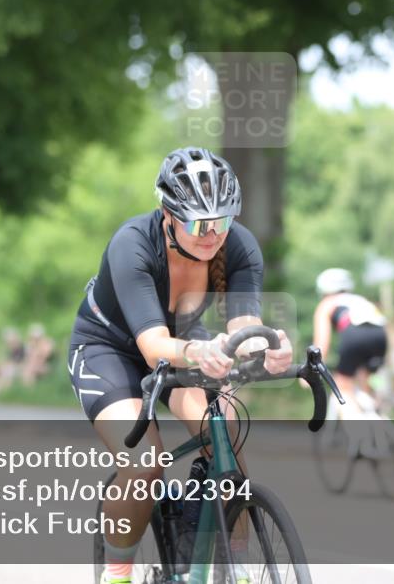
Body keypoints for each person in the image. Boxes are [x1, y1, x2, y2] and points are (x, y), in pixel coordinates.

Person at [68, 147, 293, 584]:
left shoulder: (239, 245)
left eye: (223, 221)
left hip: (186, 343)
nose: (212, 235)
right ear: (168, 213)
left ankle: (234, 568)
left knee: (225, 435)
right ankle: (116, 575)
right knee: (145, 462)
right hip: (110, 349)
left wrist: (267, 348)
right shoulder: (132, 243)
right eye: (199, 224)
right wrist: (198, 352)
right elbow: (153, 347)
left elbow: (244, 325)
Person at [312, 268, 388, 418]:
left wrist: (313, 368)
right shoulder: (361, 300)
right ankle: (376, 413)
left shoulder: (327, 303)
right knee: (365, 382)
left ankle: (360, 433)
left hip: (355, 336)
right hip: (380, 336)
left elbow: (321, 343)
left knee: (343, 387)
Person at [0, 327, 25, 392]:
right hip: (12, 367)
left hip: (19, 367)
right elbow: (7, 360)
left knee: (7, 372)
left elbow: (19, 361)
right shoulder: (11, 351)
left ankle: (3, 390)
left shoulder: (21, 349)